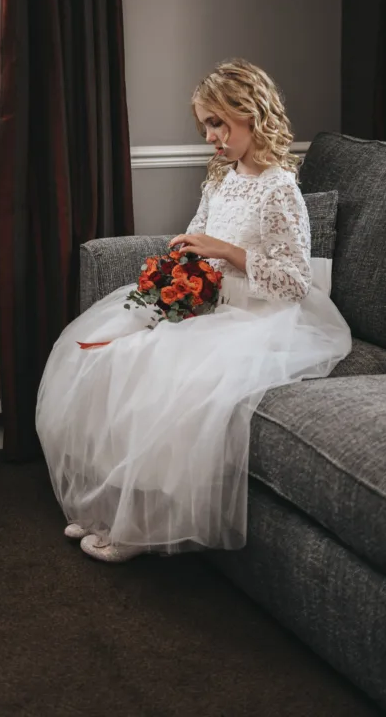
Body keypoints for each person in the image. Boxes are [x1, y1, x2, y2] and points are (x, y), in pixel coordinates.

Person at [36, 59, 351, 563]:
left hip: (258, 316)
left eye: (218, 123)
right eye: (205, 124)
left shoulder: (280, 188)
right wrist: (176, 275)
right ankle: (110, 509)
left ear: (252, 115)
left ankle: (138, 530)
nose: (210, 136)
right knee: (112, 355)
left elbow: (294, 282)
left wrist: (224, 252)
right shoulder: (220, 180)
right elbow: (196, 242)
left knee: (165, 375)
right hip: (211, 305)